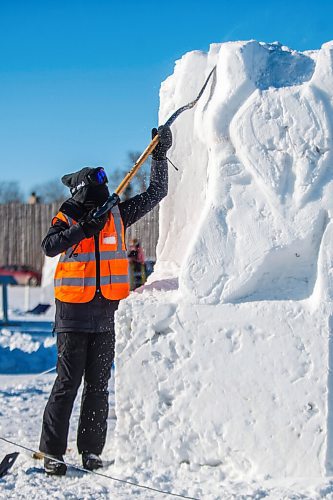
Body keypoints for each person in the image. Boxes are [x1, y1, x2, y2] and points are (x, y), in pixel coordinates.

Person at [39, 126, 172, 475]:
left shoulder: (117, 213)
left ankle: (91, 452)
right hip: (72, 312)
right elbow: (50, 246)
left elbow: (157, 191)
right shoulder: (68, 214)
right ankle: (52, 452)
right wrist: (84, 228)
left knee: (98, 386)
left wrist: (159, 156)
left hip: (106, 311)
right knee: (68, 383)